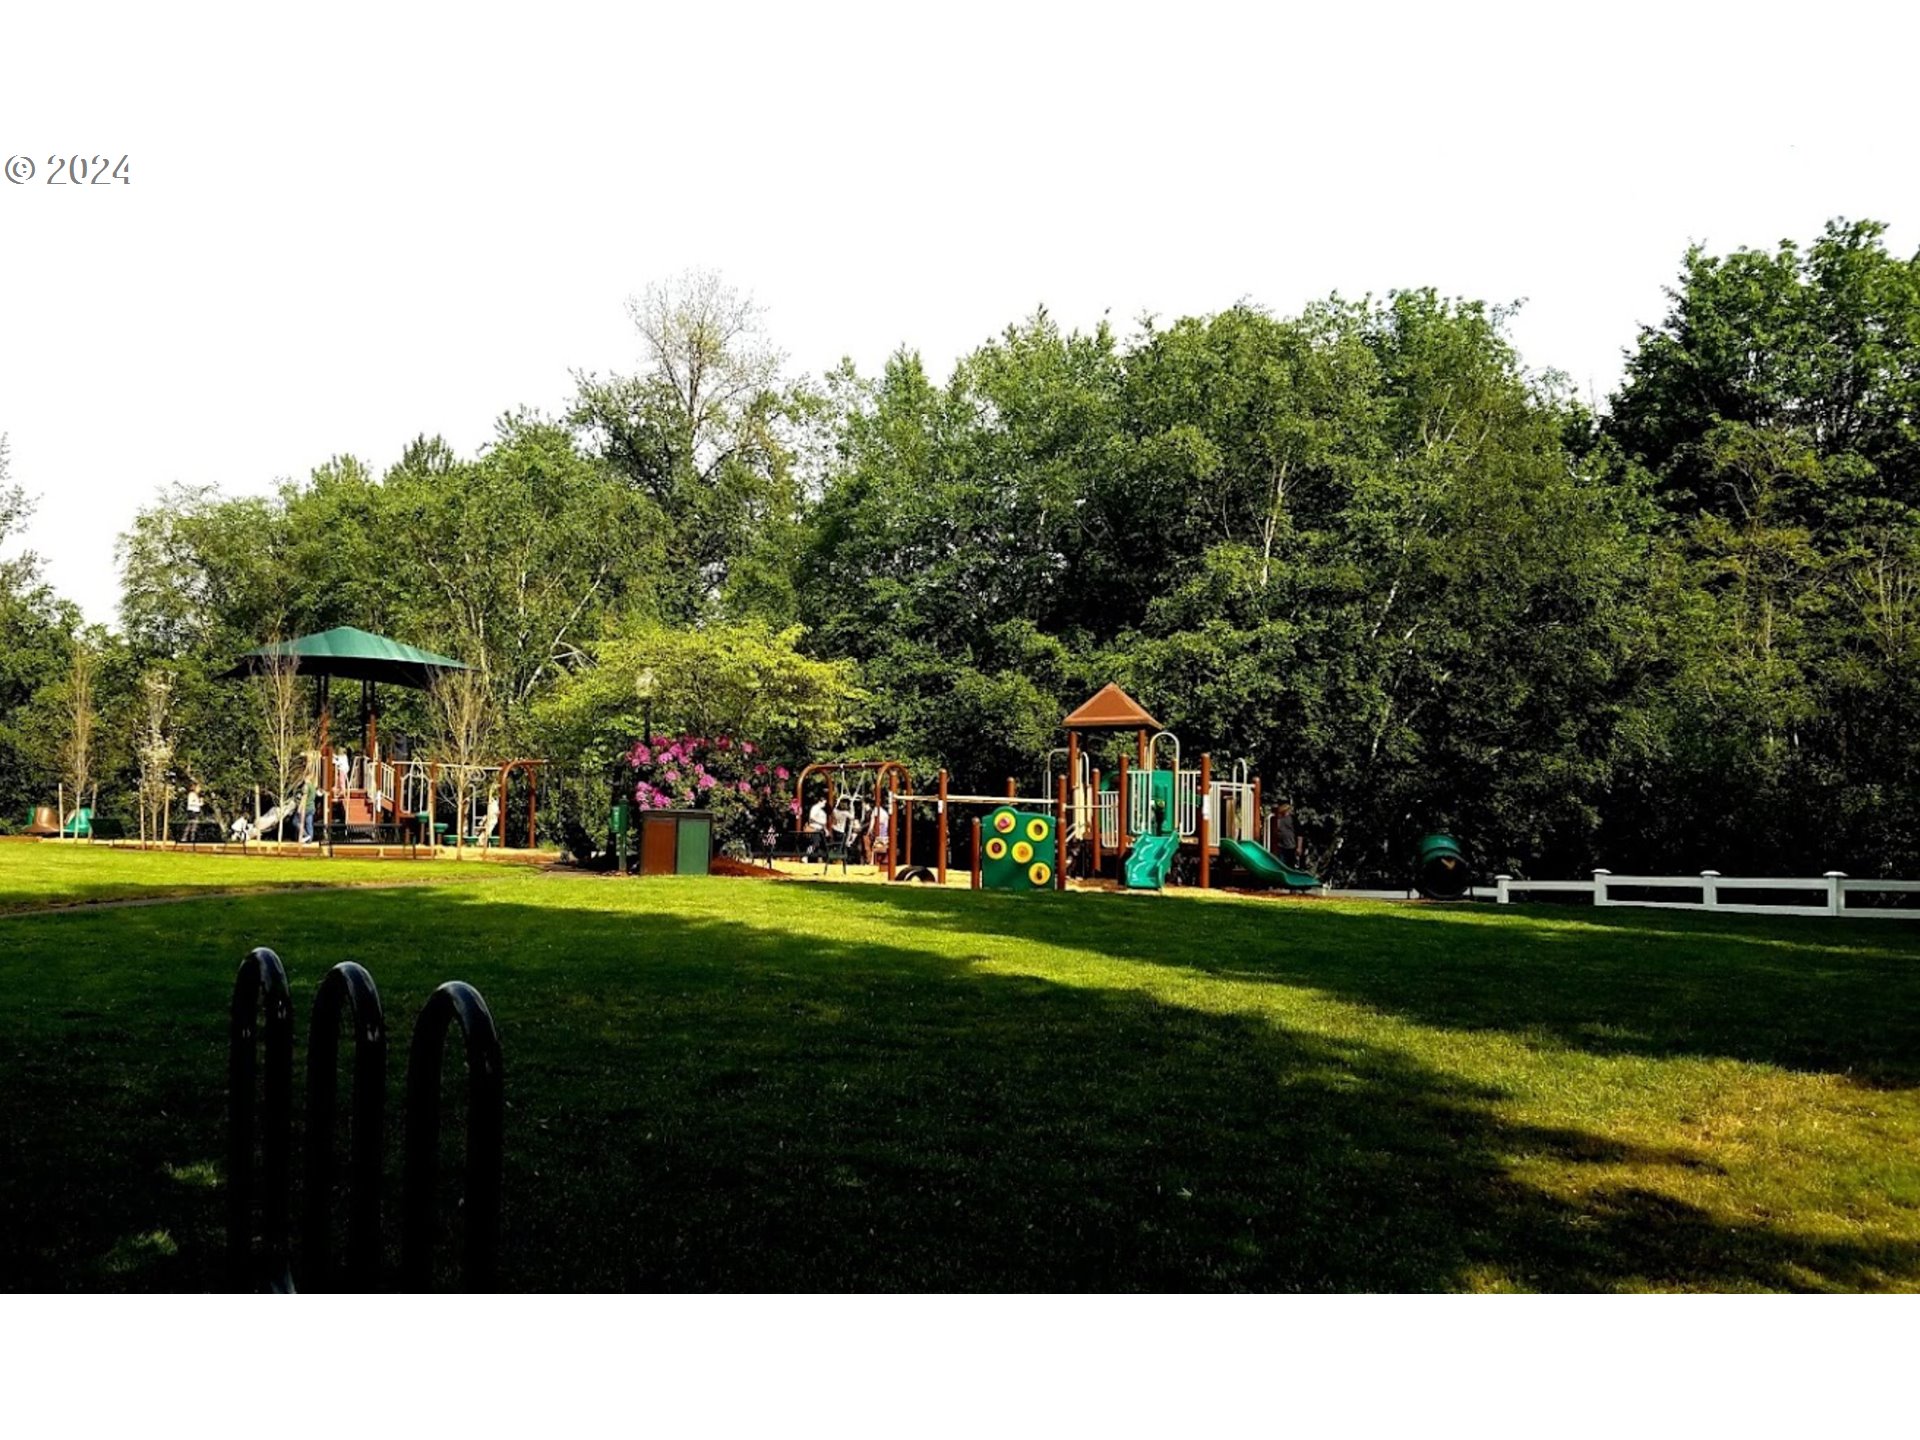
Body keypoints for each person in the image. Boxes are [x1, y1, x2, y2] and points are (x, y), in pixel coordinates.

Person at [866, 798, 891, 867]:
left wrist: (869, 832)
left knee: (874, 846)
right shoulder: (884, 812)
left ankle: (872, 861)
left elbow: (872, 822)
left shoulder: (876, 811)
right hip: (885, 832)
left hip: (880, 832)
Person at [804, 795, 828, 860]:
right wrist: (820, 822)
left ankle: (819, 858)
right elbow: (811, 818)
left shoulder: (821, 810)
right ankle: (806, 856)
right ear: (820, 801)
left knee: (819, 844)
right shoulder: (815, 808)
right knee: (815, 843)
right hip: (814, 829)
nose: (824, 805)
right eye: (824, 803)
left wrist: (825, 829)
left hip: (819, 829)